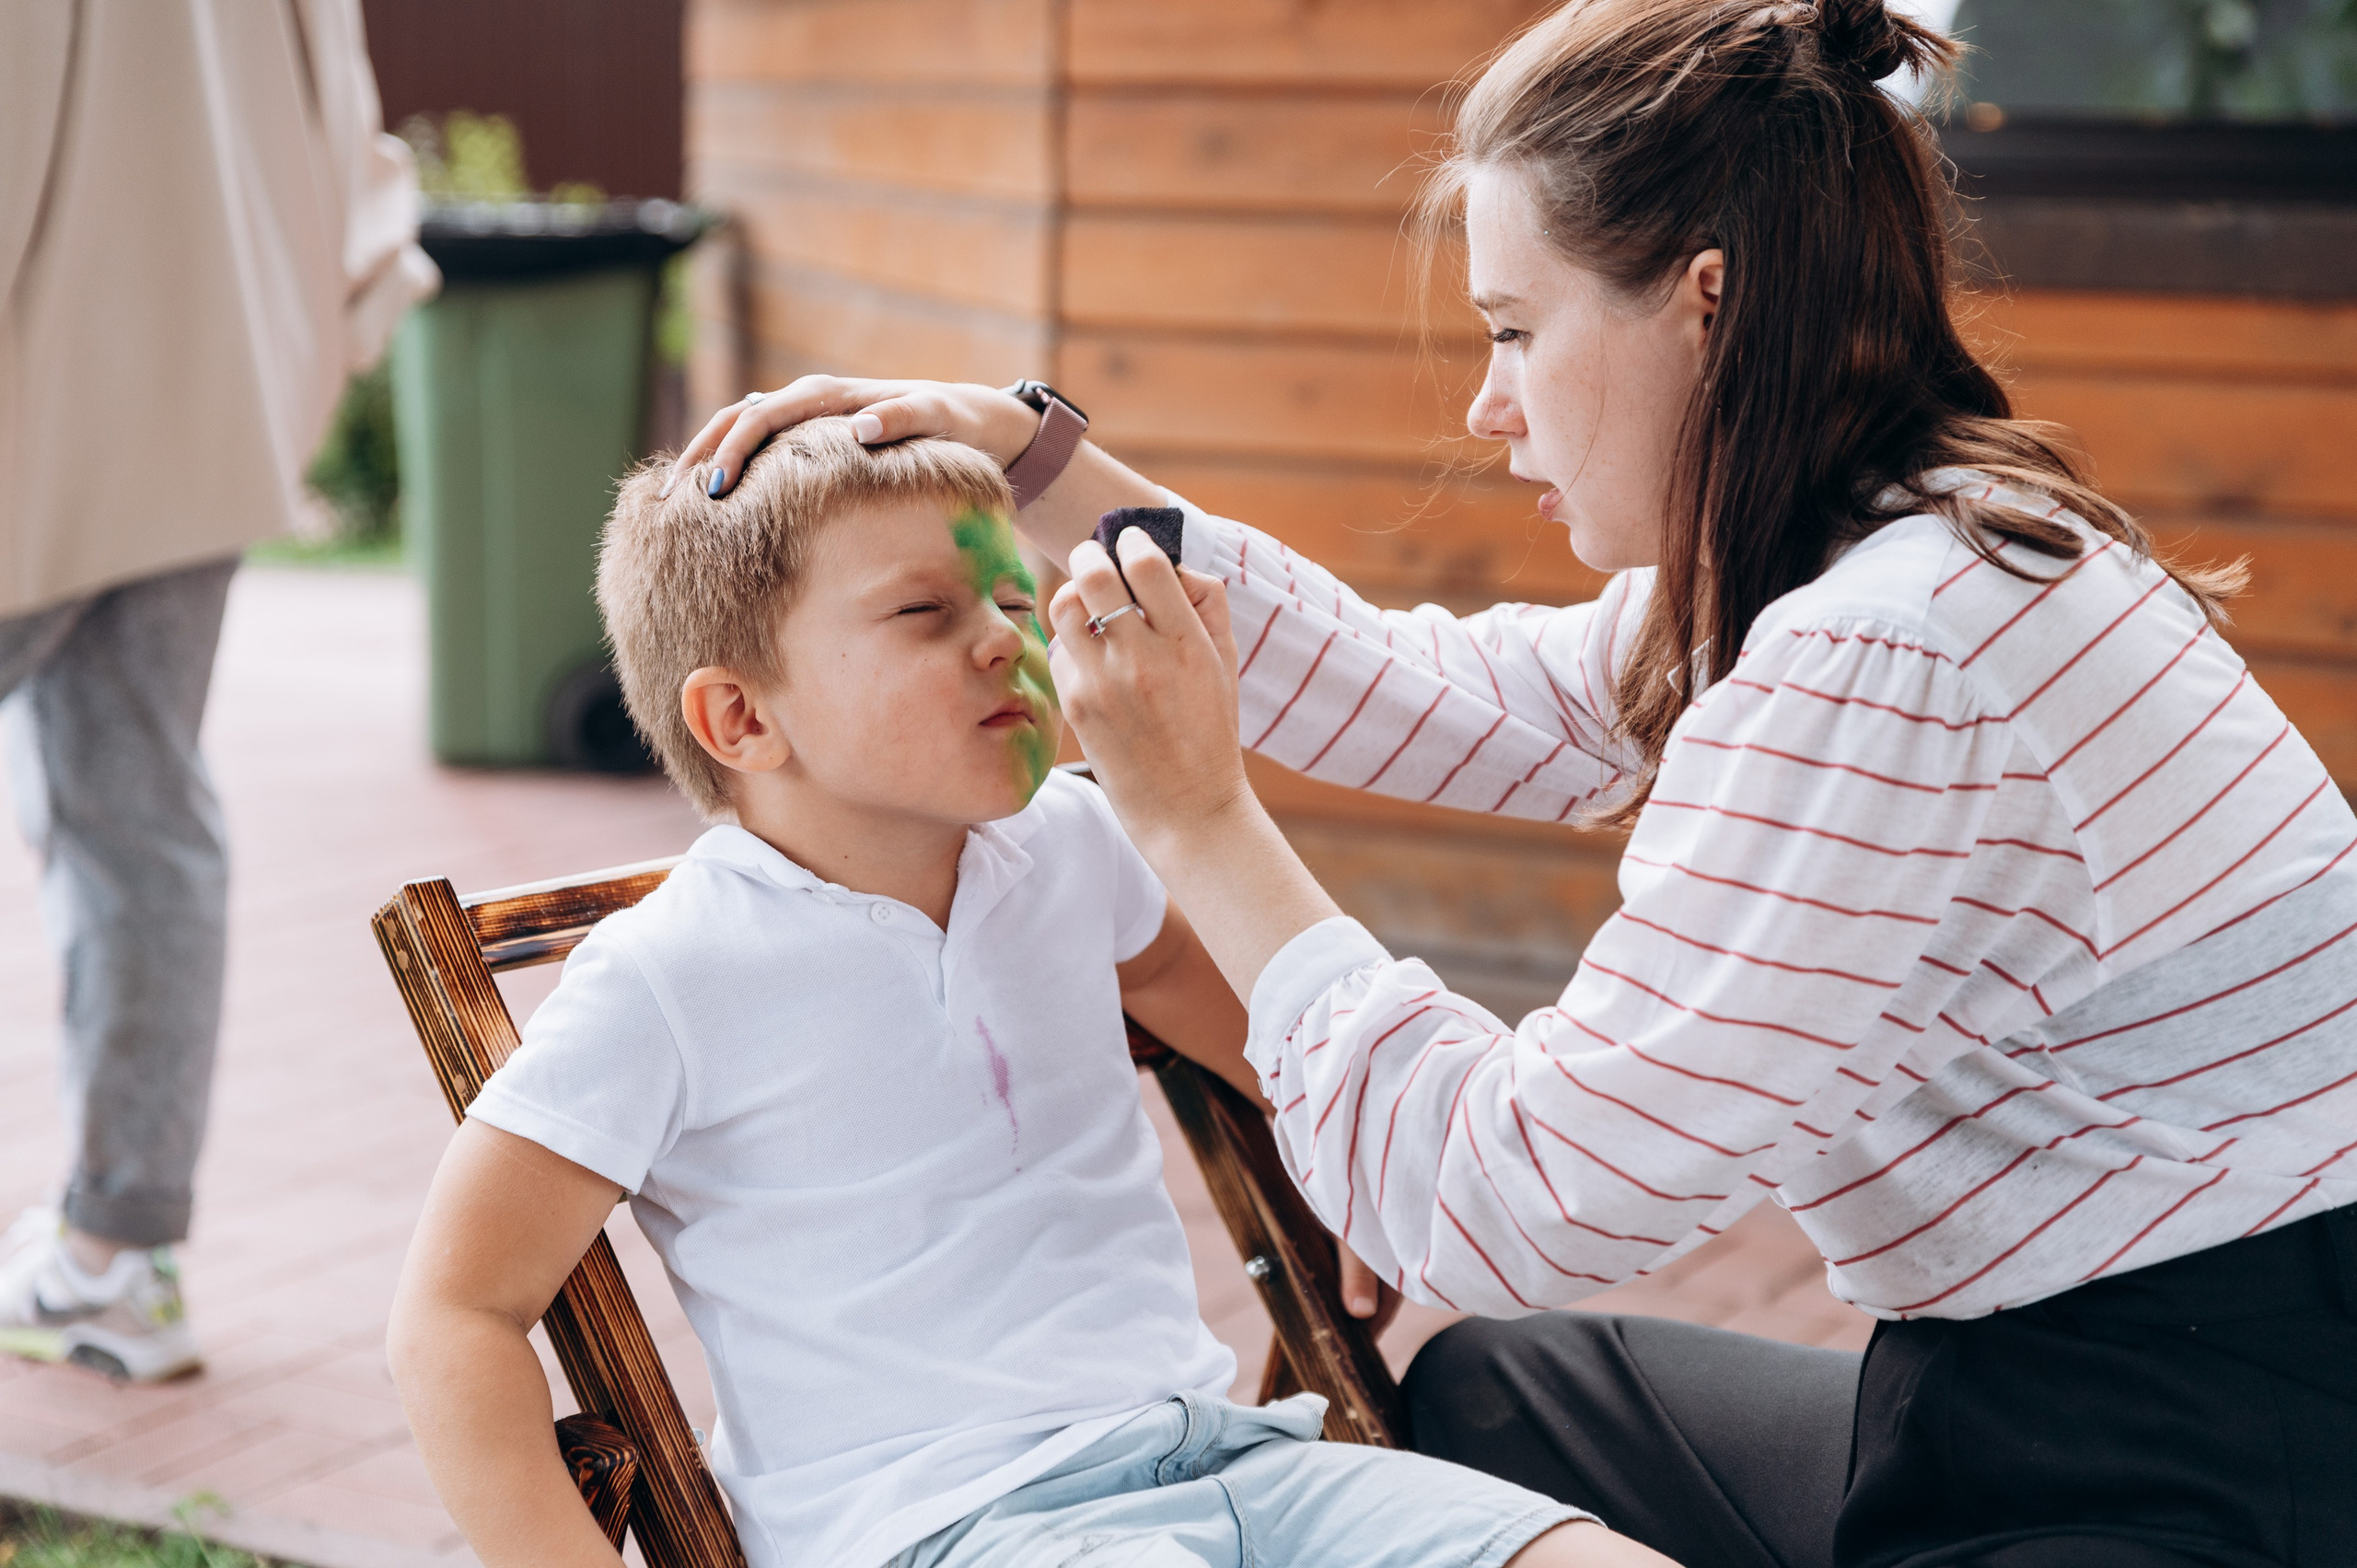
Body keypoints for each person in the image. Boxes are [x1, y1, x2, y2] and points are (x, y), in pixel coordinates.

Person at [672, 2, 2357, 1562]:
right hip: (2093, 1372)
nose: (1489, 407)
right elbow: (1438, 696)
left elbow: (1522, 1197)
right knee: (1487, 1398)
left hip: (2192, 1453)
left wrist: (1197, 824)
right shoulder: (1908, 543)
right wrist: (1052, 469)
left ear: (1710, 300)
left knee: (1496, 1334)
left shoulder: (1882, 653)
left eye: (1515, 329)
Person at [386, 422, 1672, 1568]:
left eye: (1011, 591)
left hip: (1226, 1463)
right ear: (739, 719)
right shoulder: (671, 975)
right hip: (947, 1524)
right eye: (924, 612)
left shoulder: (1070, 841)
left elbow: (1182, 976)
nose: (1009, 633)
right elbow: (457, 1311)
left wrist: (1317, 1146)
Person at [0, 1, 435, 1381]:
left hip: (32, 387)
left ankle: (113, 1253)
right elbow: (335, 94)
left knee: (134, 814)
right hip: (206, 379)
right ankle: (118, 1259)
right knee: (140, 813)